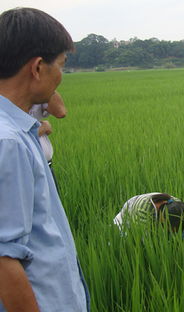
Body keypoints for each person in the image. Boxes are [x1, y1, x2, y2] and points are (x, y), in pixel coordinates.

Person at [0, 7, 89, 312]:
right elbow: (4, 258)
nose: (61, 75)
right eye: (61, 64)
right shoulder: (8, 141)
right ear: (38, 68)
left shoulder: (19, 130)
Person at [114, 193, 184, 235]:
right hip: (125, 224)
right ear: (162, 220)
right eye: (171, 229)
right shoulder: (142, 210)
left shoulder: (178, 206)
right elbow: (145, 242)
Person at [29, 91, 67, 187]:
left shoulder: (34, 89)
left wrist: (48, 83)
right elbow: (9, 136)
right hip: (21, 170)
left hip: (46, 166)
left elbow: (60, 112)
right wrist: (42, 129)